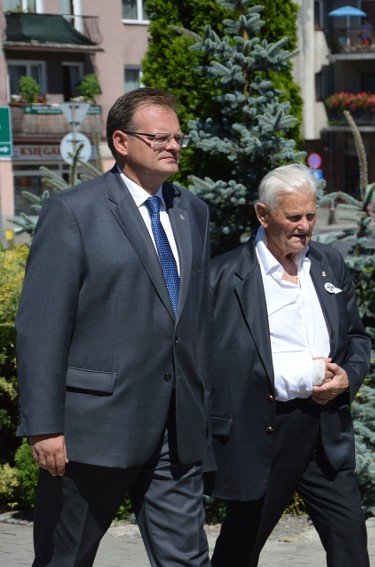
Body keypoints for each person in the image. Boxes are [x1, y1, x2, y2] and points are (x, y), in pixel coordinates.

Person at [16, 87, 212, 566]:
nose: (173, 146)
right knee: (66, 558)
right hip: (94, 431)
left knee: (187, 560)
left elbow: (194, 319)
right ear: (122, 142)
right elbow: (42, 325)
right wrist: (44, 426)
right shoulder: (73, 212)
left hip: (175, 429)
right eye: (159, 137)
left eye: (178, 138)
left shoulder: (193, 211)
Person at [207, 163, 371, 567]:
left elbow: (357, 339)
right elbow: (207, 361)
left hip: (325, 429)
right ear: (263, 215)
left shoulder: (330, 262)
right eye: (293, 217)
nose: (305, 226)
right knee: (240, 549)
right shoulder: (224, 276)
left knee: (350, 541)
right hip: (265, 430)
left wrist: (349, 377)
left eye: (311, 216)